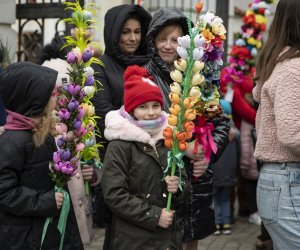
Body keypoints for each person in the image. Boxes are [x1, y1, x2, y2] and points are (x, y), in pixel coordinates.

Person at [145, 8, 230, 250]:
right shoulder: (145, 76)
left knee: (190, 240)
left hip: (194, 181)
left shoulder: (199, 77)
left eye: (175, 39)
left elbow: (220, 123)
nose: (168, 46)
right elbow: (143, 126)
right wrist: (181, 147)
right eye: (162, 39)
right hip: (162, 177)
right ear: (152, 41)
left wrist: (207, 151)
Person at [101, 65, 187, 250]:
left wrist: (178, 186)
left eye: (155, 105)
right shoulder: (120, 145)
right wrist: (154, 216)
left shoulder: (168, 137)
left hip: (167, 238)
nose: (151, 112)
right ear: (132, 110)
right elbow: (114, 194)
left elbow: (184, 181)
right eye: (143, 107)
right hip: (133, 238)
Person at [0, 62, 83, 249]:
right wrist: (44, 201)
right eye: (53, 94)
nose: (58, 98)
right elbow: (4, 191)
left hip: (48, 230)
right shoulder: (12, 142)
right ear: (34, 100)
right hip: (25, 236)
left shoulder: (42, 134)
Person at [91, 4, 152, 248]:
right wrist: (147, 126)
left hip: (149, 158)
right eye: (125, 31)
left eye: (137, 31)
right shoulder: (100, 67)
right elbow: (104, 113)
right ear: (113, 33)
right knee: (119, 228)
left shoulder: (150, 63)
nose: (133, 38)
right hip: (118, 158)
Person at [39, 41, 102, 246]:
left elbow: (93, 160)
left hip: (80, 212)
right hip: (54, 212)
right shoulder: (40, 130)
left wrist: (92, 174)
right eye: (54, 92)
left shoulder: (79, 124)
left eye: (64, 91)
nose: (59, 99)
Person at [253, 0, 300, 249]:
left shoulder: (282, 63)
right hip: (288, 181)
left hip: (284, 180)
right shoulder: (293, 69)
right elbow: (292, 133)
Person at [211, 99, 239, 235]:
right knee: (226, 199)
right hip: (230, 173)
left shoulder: (213, 133)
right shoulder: (235, 133)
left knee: (215, 199)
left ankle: (217, 224)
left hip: (215, 172)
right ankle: (226, 224)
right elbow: (239, 153)